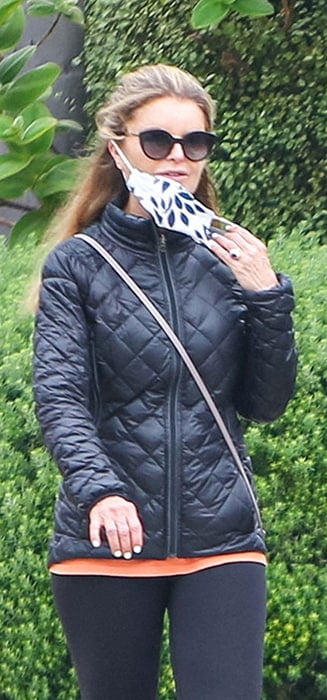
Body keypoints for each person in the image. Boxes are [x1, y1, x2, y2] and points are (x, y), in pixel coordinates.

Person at [33, 64, 296, 700]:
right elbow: (61, 394)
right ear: (118, 146)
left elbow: (265, 403)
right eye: (158, 141)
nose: (178, 159)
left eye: (195, 144)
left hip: (222, 537)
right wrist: (101, 492)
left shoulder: (226, 257)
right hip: (110, 538)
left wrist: (266, 297)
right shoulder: (78, 265)